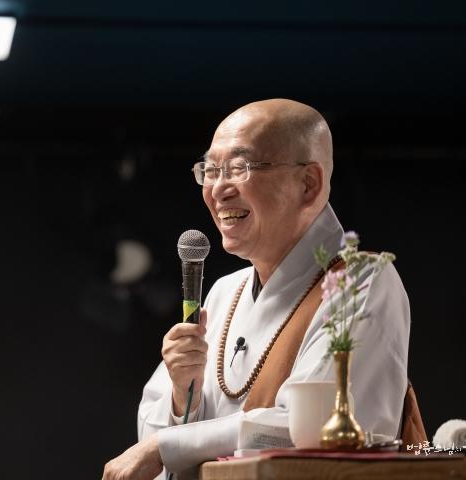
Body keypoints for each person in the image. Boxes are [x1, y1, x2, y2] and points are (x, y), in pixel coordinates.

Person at [102, 99, 411, 480]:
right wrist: (184, 398)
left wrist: (169, 446)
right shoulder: (224, 292)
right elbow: (148, 439)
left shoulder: (359, 280)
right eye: (210, 170)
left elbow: (316, 427)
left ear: (308, 184)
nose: (218, 189)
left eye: (238, 168)